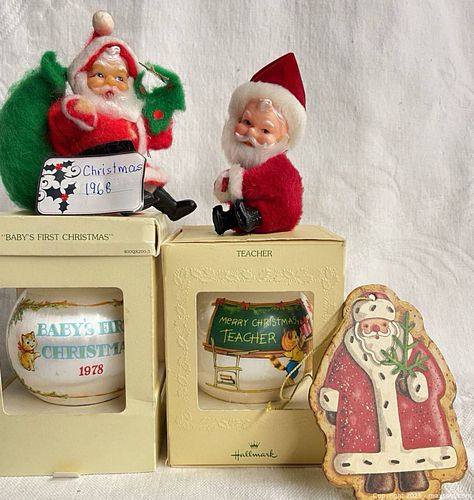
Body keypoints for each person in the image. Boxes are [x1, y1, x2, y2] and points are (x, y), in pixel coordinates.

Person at [48, 11, 195, 220]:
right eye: (100, 75)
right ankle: (131, 201)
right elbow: (64, 126)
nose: (111, 83)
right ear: (82, 77)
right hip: (97, 163)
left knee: (146, 177)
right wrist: (82, 112)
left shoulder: (131, 112)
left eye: (119, 78)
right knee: (126, 174)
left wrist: (163, 120)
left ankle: (171, 208)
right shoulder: (80, 103)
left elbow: (157, 139)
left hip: (128, 160)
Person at [212, 53, 306, 234]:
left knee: (258, 211)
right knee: (240, 209)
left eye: (265, 131)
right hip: (248, 207)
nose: (251, 133)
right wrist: (226, 183)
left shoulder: (279, 167)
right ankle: (227, 220)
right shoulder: (248, 164)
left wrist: (234, 181)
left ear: (283, 139)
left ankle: (248, 219)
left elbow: (258, 182)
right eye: (247, 122)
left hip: (277, 212)